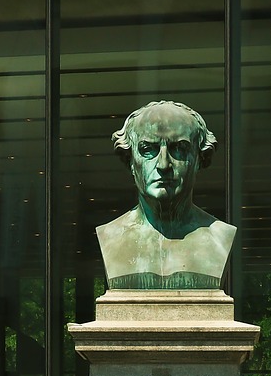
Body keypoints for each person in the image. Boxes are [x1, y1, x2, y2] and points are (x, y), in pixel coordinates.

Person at [97, 100, 236, 289]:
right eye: (148, 150)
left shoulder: (221, 237)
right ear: (130, 160)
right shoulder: (109, 236)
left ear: (199, 160)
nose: (163, 165)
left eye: (179, 149)